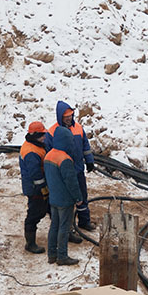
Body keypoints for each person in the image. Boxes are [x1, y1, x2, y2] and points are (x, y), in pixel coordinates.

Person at [44, 100, 96, 233]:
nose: (69, 119)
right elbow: (49, 153)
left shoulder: (78, 128)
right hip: (62, 172)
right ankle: (67, 228)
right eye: (66, 117)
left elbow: (85, 146)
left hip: (77, 169)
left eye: (71, 116)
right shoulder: (52, 132)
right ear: (60, 116)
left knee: (82, 196)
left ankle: (84, 221)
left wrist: (89, 160)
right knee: (65, 200)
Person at [43, 126, 82, 266]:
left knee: (54, 226)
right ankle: (62, 256)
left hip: (53, 198)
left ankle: (51, 255)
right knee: (64, 229)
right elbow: (71, 182)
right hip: (65, 200)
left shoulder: (49, 155)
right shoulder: (65, 159)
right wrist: (78, 198)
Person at [19, 121, 49, 255]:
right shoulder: (31, 152)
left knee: (52, 209)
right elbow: (36, 175)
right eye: (42, 135)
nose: (45, 137)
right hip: (35, 188)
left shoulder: (37, 145)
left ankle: (65, 232)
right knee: (35, 212)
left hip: (39, 186)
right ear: (36, 135)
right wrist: (43, 188)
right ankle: (30, 243)